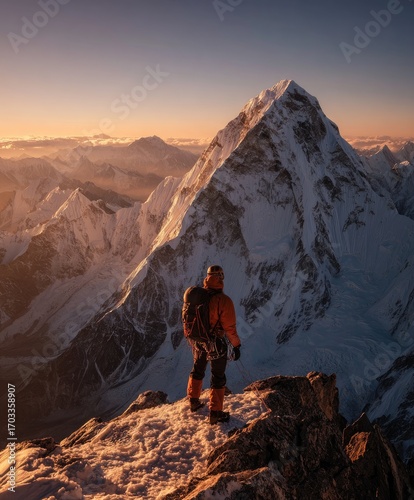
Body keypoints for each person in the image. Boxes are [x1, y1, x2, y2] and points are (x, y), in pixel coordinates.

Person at [186, 265, 241, 425]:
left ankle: (193, 401)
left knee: (198, 368)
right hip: (215, 342)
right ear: (220, 278)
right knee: (218, 376)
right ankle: (216, 412)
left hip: (198, 340)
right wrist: (236, 345)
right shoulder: (223, 301)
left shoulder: (198, 298)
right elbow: (230, 328)